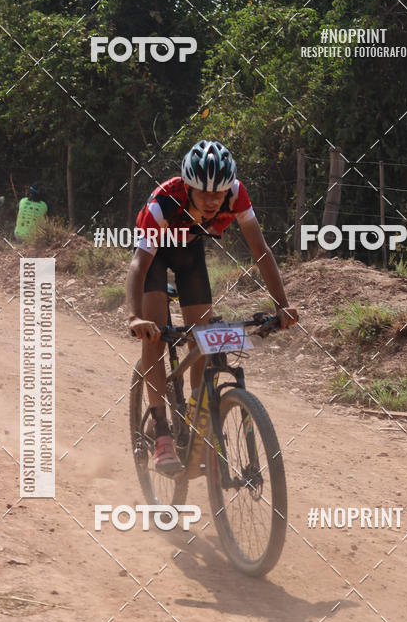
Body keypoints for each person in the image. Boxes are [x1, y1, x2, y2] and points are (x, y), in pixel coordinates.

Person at [126, 139, 298, 476]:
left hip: (190, 254)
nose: (211, 201)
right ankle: (161, 433)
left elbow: (261, 251)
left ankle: (195, 419)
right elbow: (138, 265)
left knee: (203, 337)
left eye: (217, 194)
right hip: (154, 257)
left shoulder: (236, 195)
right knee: (154, 336)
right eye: (203, 193)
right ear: (187, 187)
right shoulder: (163, 204)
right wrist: (135, 317)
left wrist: (283, 306)